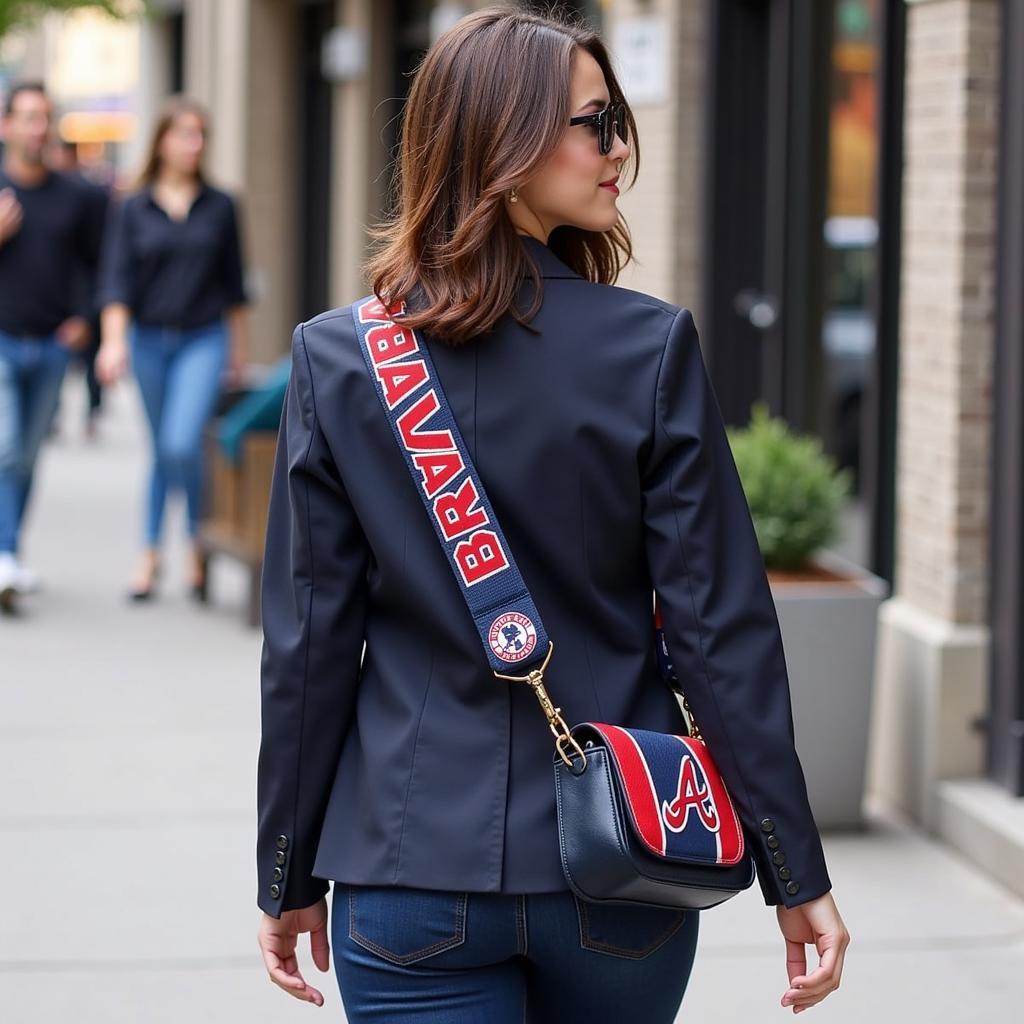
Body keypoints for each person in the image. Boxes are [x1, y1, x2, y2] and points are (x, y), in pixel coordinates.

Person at [255, 7, 850, 1022]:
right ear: (501, 138)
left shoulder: (338, 357)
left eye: (614, 118)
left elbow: (309, 646)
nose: (618, 145)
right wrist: (795, 870)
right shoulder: (648, 347)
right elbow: (721, 634)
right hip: (623, 868)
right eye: (590, 122)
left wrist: (286, 870)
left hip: (406, 865)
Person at [95, 95, 249, 601]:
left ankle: (192, 540)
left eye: (200, 134)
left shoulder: (221, 205)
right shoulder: (132, 206)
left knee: (182, 442)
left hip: (204, 339)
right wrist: (113, 343)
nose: (194, 143)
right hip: (148, 342)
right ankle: (154, 553)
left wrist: (238, 357)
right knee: (163, 448)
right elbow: (116, 281)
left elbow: (234, 289)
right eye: (184, 133)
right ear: (161, 140)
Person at [0, 82, 105, 611]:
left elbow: (98, 263)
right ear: (6, 126)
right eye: (26, 118)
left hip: (51, 345)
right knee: (6, 444)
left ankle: (8, 555)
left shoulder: (79, 196)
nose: (37, 128)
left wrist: (84, 320)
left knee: (25, 458)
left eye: (44, 118)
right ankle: (4, 553)